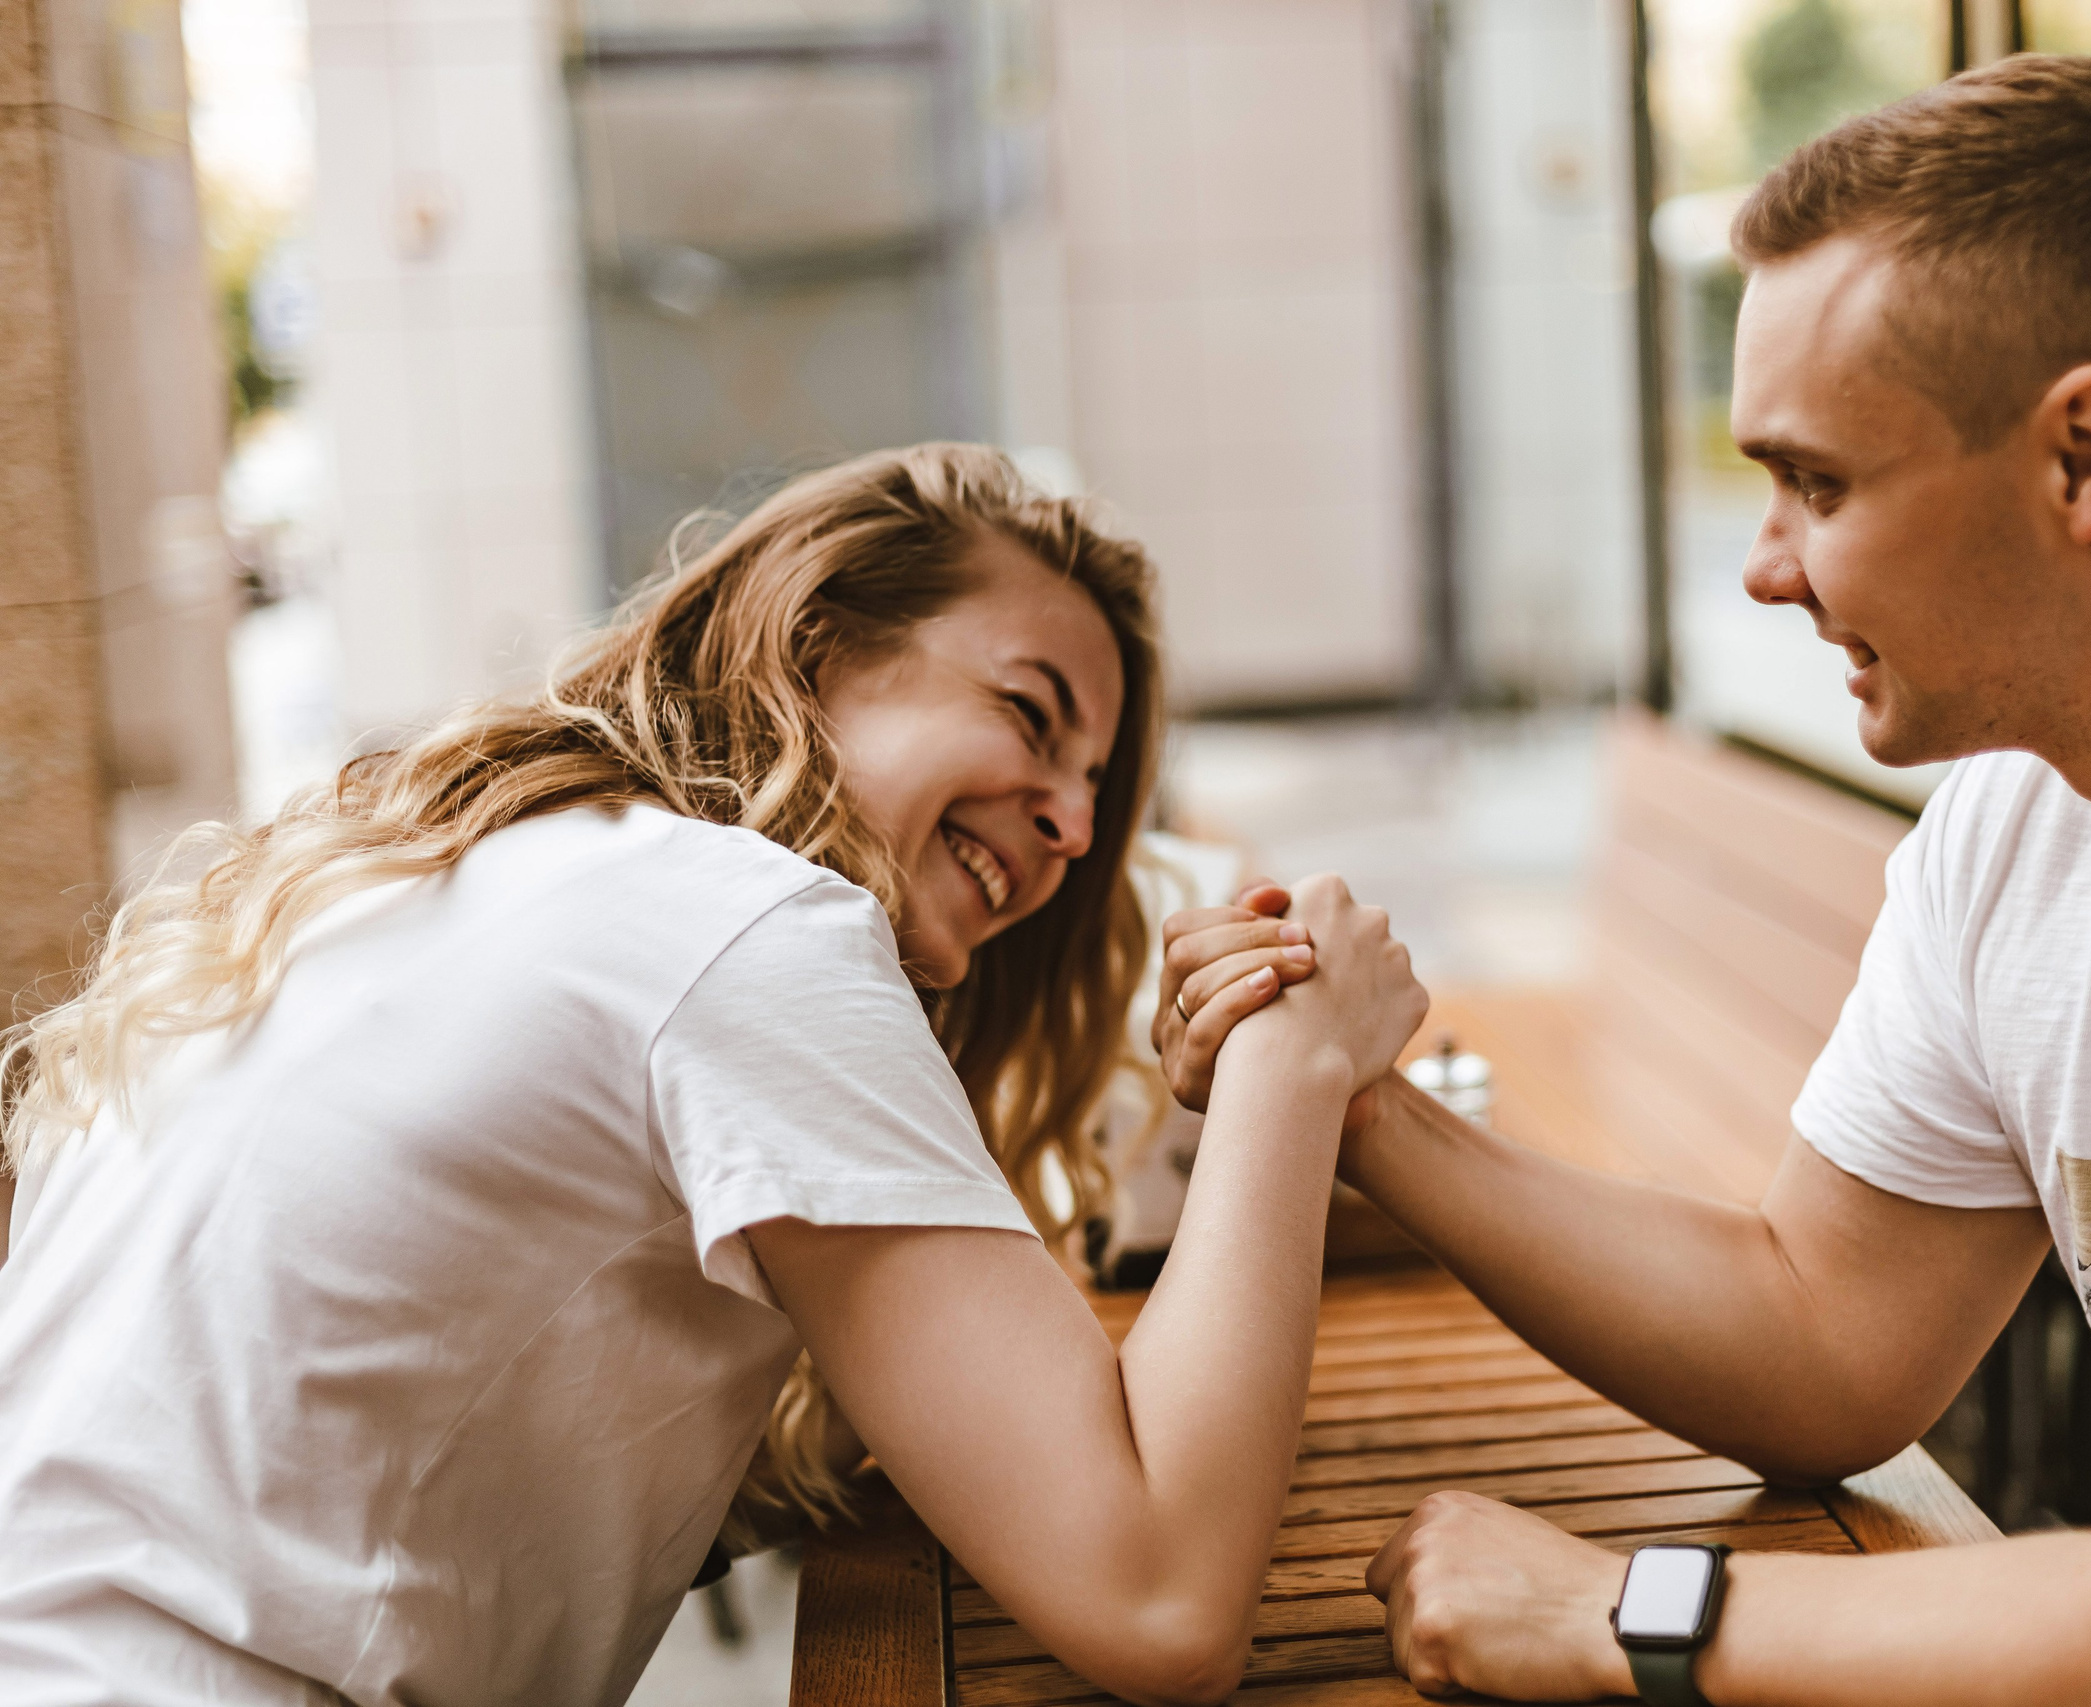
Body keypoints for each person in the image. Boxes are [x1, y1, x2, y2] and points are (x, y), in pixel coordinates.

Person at [1162, 57, 2091, 1706]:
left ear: (2084, 459)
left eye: (1817, 483)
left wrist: (1629, 1616)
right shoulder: (2024, 825)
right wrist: (1364, 1108)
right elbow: (1823, 1338)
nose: (1763, 567)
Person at [0, 444, 1426, 1707]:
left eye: (1095, 794)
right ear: (818, 644)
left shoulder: (487, 869)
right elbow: (1161, 1601)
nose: (1067, 826)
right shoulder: (740, 930)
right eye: (1030, 712)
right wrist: (1291, 1062)